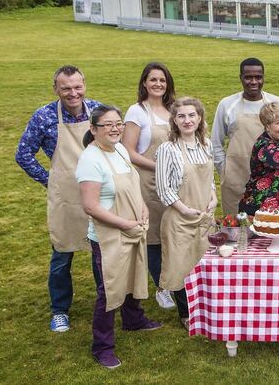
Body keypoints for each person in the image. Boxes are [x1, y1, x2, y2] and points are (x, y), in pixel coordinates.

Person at [15, 65, 102, 333]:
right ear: (56, 89)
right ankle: (60, 310)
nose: (73, 93)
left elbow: (115, 147)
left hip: (99, 193)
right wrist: (47, 179)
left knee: (101, 252)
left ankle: (107, 301)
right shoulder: (43, 117)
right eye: (66, 88)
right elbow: (24, 154)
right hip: (65, 196)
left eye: (77, 87)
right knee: (62, 253)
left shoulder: (98, 112)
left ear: (84, 85)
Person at [76, 104, 161, 369]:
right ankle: (102, 347)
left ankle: (133, 320)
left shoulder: (121, 149)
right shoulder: (90, 160)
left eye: (118, 123)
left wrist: (144, 208)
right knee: (109, 290)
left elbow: (132, 186)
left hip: (133, 227)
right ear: (93, 129)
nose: (115, 129)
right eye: (107, 125)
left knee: (134, 274)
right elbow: (91, 206)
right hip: (108, 236)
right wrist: (125, 223)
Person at [156, 97, 218, 329]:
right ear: (174, 120)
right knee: (181, 266)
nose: (187, 120)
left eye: (192, 115)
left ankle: (206, 308)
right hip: (180, 218)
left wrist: (213, 197)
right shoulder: (167, 149)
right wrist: (185, 209)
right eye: (181, 116)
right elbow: (163, 189)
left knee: (203, 265)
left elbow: (209, 179)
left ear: (200, 118)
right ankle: (186, 313)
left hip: (204, 217)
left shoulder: (206, 144)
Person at [121, 62, 176, 310]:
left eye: (162, 80)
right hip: (148, 181)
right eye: (153, 79)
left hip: (175, 181)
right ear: (144, 82)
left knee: (174, 231)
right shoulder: (137, 112)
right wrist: (160, 167)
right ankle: (161, 287)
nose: (158, 84)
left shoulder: (173, 110)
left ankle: (176, 279)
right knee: (154, 235)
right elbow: (128, 151)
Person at [212, 58, 279, 215]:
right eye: (248, 77)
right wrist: (224, 171)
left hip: (270, 181)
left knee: (269, 228)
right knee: (236, 230)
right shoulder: (227, 105)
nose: (253, 81)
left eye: (258, 77)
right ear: (241, 78)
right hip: (236, 179)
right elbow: (216, 143)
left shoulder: (276, 103)